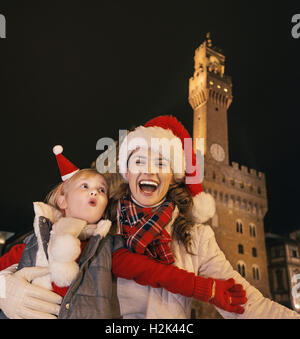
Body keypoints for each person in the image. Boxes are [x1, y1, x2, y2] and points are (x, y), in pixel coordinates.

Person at [0, 144, 246, 319]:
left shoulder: (107, 248)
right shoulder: (31, 245)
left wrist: (210, 289)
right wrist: (4, 292)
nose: (94, 192)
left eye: (102, 189)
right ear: (63, 200)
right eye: (85, 186)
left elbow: (155, 273)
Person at [110, 115, 300, 319]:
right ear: (126, 172)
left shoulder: (196, 237)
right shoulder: (102, 228)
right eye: (139, 161)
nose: (149, 170)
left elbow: (247, 304)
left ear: (173, 177)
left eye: (161, 163)